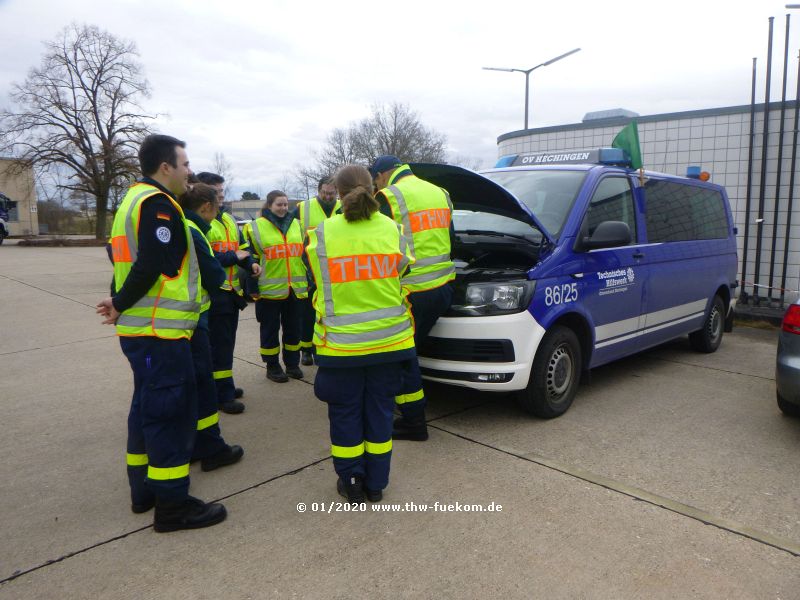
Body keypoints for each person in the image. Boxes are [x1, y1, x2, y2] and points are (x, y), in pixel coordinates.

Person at [96, 134, 226, 532]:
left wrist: (120, 298)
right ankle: (173, 506)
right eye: (185, 164)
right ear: (165, 167)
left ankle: (145, 490)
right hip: (159, 333)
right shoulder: (157, 204)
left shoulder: (131, 200)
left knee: (146, 409)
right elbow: (156, 261)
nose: (190, 171)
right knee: (169, 414)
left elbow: (127, 260)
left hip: (145, 331)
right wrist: (120, 302)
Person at [306, 165, 416, 503]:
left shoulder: (320, 233)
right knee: (381, 413)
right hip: (390, 343)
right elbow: (404, 270)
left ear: (337, 194)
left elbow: (313, 278)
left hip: (340, 348)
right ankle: (376, 484)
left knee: (345, 414)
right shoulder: (393, 230)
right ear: (374, 189)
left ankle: (352, 480)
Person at [370, 155, 455, 442]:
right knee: (413, 352)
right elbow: (450, 238)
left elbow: (377, 245)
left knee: (404, 358)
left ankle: (414, 421)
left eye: (375, 179)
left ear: (381, 175)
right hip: (443, 287)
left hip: (411, 292)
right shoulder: (439, 192)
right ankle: (408, 407)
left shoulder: (388, 196)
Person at [179, 182, 246, 471]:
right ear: (206, 206)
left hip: (184, 317)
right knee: (202, 382)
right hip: (193, 317)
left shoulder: (185, 224)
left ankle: (195, 443)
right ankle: (209, 447)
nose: (219, 207)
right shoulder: (194, 230)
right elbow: (213, 271)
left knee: (197, 380)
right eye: (217, 202)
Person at [195, 171, 255, 415]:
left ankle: (224, 385)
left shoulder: (229, 220)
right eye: (216, 192)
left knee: (226, 345)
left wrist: (249, 263)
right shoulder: (201, 222)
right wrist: (234, 257)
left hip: (231, 294)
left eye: (221, 191)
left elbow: (241, 248)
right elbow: (206, 259)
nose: (220, 196)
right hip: (214, 293)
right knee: (218, 347)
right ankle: (222, 394)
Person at [244, 190, 307, 382]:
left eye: (286, 204)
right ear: (269, 205)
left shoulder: (297, 225)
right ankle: (272, 366)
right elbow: (250, 258)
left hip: (295, 289)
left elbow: (304, 255)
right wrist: (252, 287)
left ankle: (292, 364)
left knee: (293, 329)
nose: (283, 208)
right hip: (268, 290)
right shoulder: (254, 227)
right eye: (279, 204)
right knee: (270, 330)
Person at [294, 177, 340, 366]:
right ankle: (306, 350)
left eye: (331, 193)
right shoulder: (303, 208)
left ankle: (329, 347)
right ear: (318, 190)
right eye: (324, 193)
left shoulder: (343, 207)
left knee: (331, 312)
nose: (328, 197)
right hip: (310, 270)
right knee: (307, 314)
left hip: (336, 270)